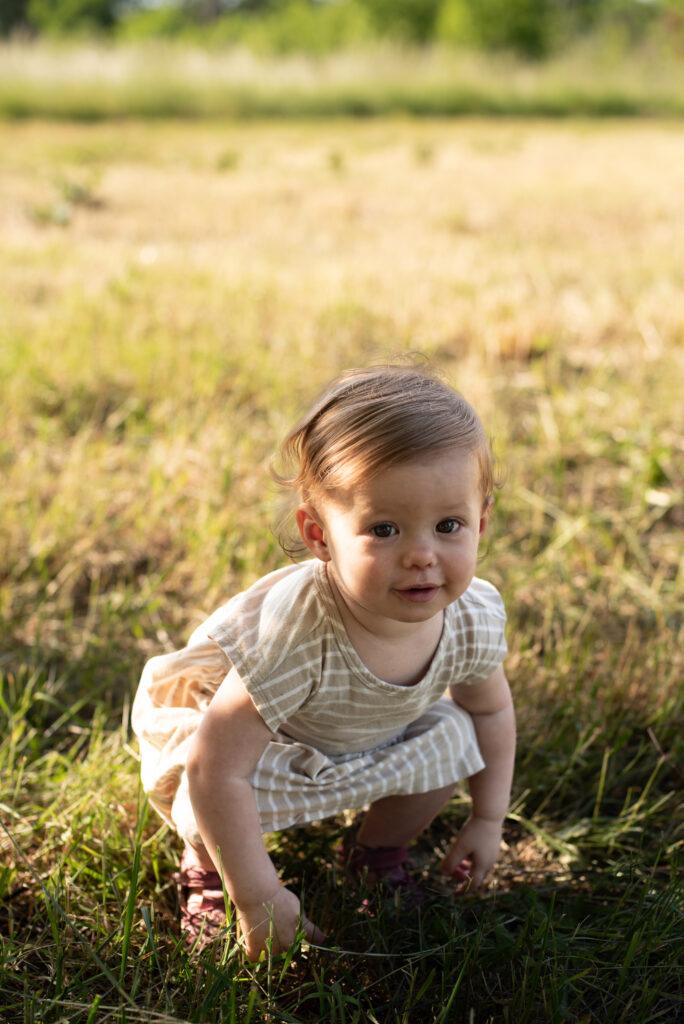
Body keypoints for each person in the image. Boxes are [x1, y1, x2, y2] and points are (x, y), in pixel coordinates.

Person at [132, 364, 516, 959]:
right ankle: (208, 870)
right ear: (319, 536)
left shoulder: (470, 617)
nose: (421, 556)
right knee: (215, 794)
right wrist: (257, 897)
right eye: (383, 529)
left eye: (449, 526)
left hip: (369, 740)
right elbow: (216, 769)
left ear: (482, 522)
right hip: (265, 750)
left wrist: (488, 818)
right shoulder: (298, 634)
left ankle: (375, 852)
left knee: (454, 737)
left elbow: (489, 712)